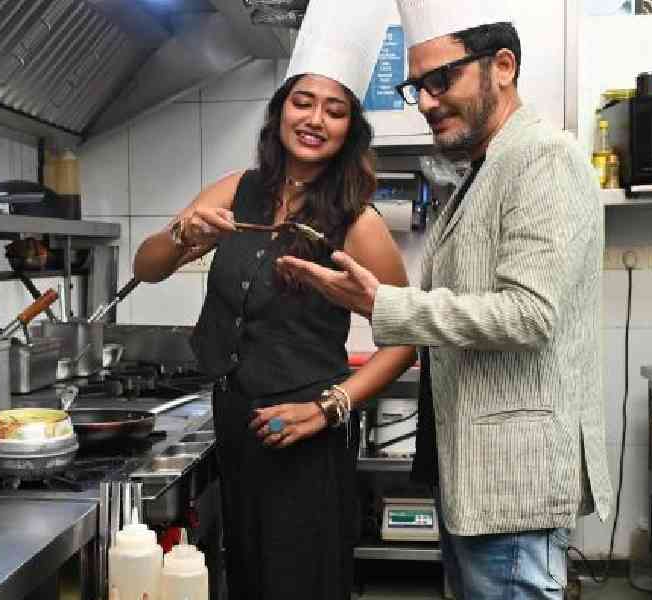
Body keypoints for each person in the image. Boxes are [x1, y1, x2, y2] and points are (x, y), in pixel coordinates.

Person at [277, 2, 613, 599]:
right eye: (418, 87)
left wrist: (383, 305)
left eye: (441, 80)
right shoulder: (483, 170)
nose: (427, 102)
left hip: (514, 483)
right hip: (478, 477)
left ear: (502, 66)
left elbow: (529, 315)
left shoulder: (543, 157)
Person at [132, 1, 416, 598]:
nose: (315, 119)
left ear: (350, 129)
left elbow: (406, 337)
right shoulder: (237, 191)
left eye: (334, 110)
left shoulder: (358, 222)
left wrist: (330, 407)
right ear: (281, 109)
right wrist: (182, 235)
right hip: (236, 428)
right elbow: (146, 269)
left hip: (305, 435)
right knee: (252, 581)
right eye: (303, 102)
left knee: (299, 583)